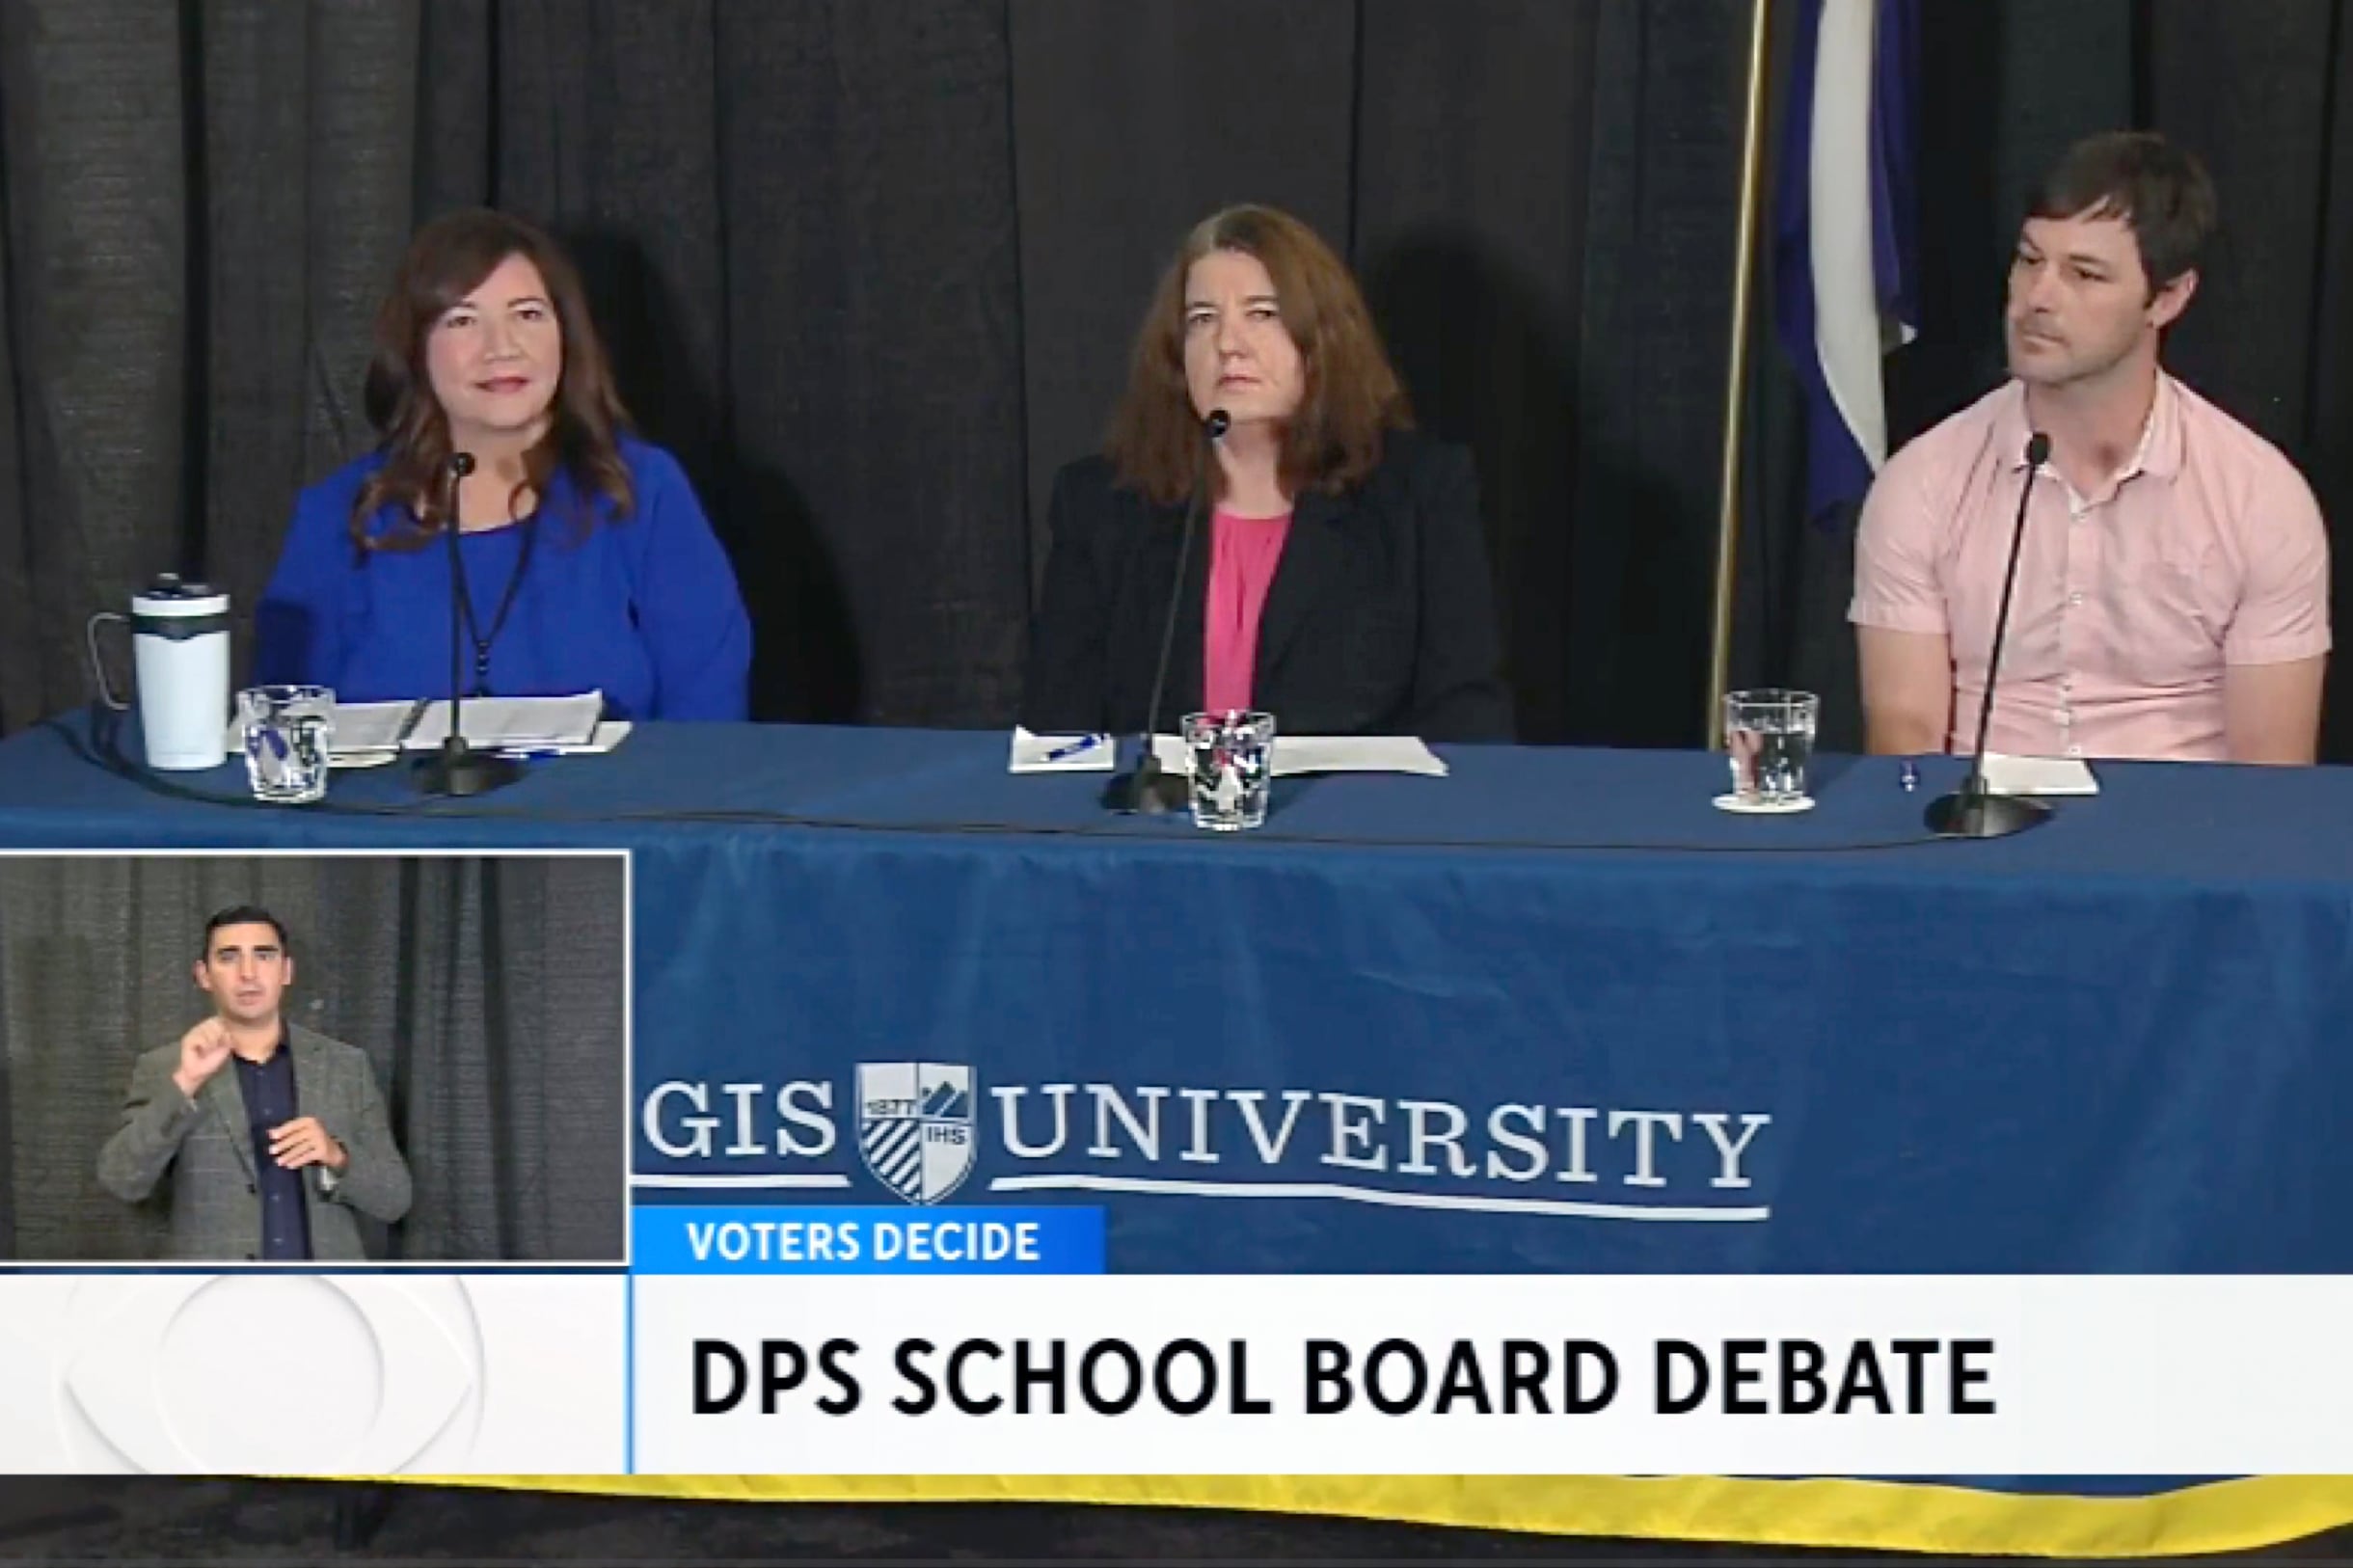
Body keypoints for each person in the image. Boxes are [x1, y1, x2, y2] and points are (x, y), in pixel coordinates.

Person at [1852, 132, 2329, 765]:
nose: (2037, 298)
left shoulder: (2260, 498)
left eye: (2084, 274)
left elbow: (2272, 776)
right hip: (1977, 841)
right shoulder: (1923, 481)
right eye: (2029, 261)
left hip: (2180, 840)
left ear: (2168, 298)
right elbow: (1904, 746)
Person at [1019, 204, 1512, 742]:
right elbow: (1055, 734)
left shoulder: (1420, 493)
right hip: (1155, 823)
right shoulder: (1101, 503)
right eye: (1202, 319)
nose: (1229, 344)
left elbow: (1469, 723)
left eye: (1262, 314)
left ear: (1321, 341)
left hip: (1351, 820)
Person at [255, 208, 751, 720]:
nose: (502, 348)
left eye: (528, 314)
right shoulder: (341, 515)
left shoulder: (642, 493)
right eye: (464, 320)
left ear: (566, 335)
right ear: (416, 348)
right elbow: (285, 731)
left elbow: (710, 721)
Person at [96, 907, 412, 1262]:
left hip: (323, 1300)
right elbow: (122, 1180)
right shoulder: (165, 1069)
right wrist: (186, 1083)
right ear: (204, 975)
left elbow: (394, 1200)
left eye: (264, 955)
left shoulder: (345, 1067)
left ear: (286, 971)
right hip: (213, 1300)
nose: (248, 973)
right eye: (228, 957)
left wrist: (335, 1155)